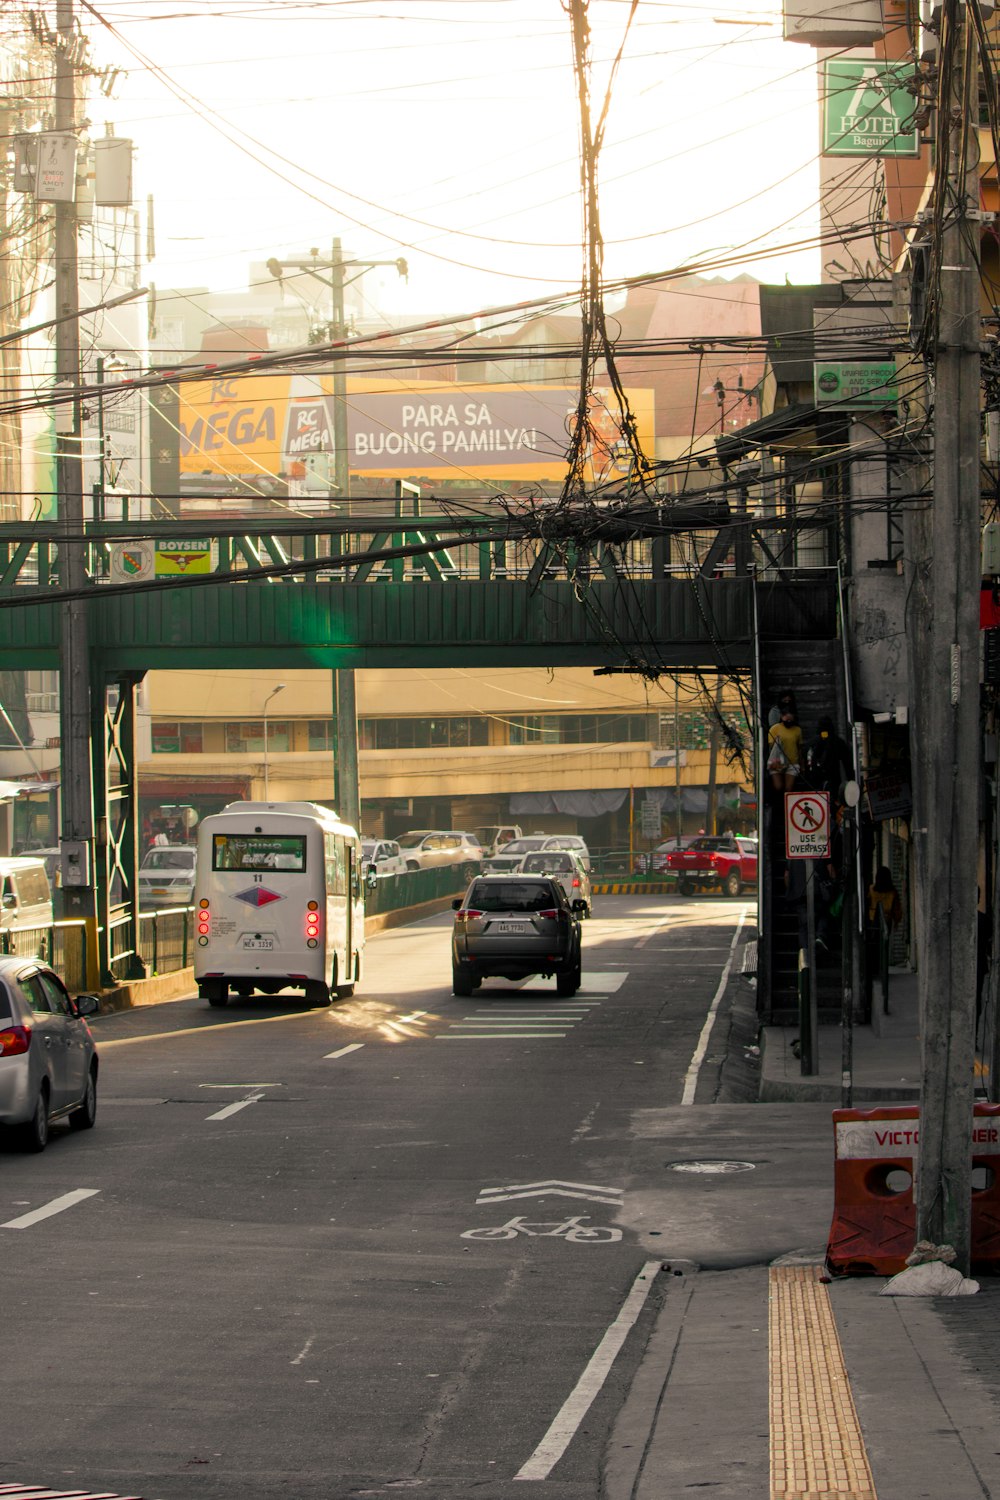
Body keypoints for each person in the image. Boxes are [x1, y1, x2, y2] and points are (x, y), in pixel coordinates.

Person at [805, 716, 853, 797]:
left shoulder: (812, 742)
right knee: (832, 799)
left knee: (819, 800)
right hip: (833, 776)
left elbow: (807, 761)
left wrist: (808, 777)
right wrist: (851, 779)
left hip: (816, 777)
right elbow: (847, 763)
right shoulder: (838, 742)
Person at [767, 700, 803, 792]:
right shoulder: (774, 729)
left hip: (792, 763)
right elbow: (771, 748)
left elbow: (799, 748)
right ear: (781, 716)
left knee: (788, 789)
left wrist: (802, 765)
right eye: (785, 715)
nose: (788, 718)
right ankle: (778, 805)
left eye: (790, 715)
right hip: (777, 763)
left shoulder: (797, 730)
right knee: (778, 787)